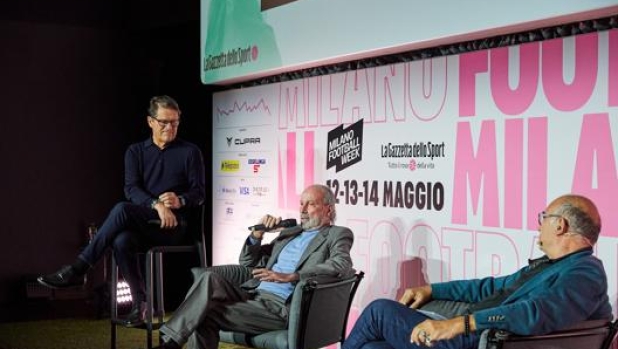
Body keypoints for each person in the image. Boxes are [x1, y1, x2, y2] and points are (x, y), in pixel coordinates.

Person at [343, 194, 612, 349]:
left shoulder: (585, 273)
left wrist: (461, 323)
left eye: (544, 217)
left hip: (477, 340)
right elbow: (491, 287)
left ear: (560, 225)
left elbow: (537, 313)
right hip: (475, 333)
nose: (539, 225)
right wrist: (432, 289)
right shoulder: (553, 265)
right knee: (371, 347)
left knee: (379, 312)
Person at [37, 95, 206, 327]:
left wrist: (180, 201)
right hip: (147, 221)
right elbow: (131, 189)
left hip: (175, 226)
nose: (170, 127)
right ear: (150, 122)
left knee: (121, 210)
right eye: (164, 122)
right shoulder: (135, 152)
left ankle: (77, 269)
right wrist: (156, 205)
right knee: (121, 240)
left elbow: (199, 193)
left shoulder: (190, 152)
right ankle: (141, 306)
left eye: (175, 122)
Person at [154, 184, 355, 349]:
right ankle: (170, 341)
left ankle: (169, 342)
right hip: (252, 293)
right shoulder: (290, 232)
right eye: (301, 203)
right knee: (208, 277)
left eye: (310, 204)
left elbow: (341, 264)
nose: (302, 210)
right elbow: (248, 263)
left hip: (280, 307)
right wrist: (257, 235)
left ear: (328, 208)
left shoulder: (338, 234)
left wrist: (293, 276)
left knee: (204, 314)